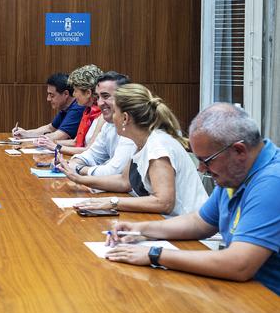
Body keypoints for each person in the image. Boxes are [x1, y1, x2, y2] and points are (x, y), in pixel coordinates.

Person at [104, 103, 279, 295]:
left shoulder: (272, 182)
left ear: (239, 151)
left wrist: (154, 254)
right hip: (248, 293)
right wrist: (140, 229)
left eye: (206, 160)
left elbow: (239, 265)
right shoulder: (237, 173)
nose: (201, 169)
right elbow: (199, 222)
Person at [70, 83, 208, 216]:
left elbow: (164, 202)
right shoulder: (142, 141)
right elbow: (123, 182)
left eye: (115, 112)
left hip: (191, 231)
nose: (112, 117)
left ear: (125, 118)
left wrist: (113, 202)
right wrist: (80, 179)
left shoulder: (157, 147)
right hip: (171, 224)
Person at [60, 72, 136, 177]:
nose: (100, 103)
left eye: (105, 96)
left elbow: (114, 172)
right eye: (98, 97)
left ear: (125, 98)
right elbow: (92, 154)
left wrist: (78, 168)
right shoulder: (108, 125)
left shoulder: (133, 127)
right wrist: (73, 163)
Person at [37, 64, 105, 155]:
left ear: (88, 93)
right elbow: (76, 142)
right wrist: (48, 143)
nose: (73, 95)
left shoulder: (102, 115)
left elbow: (88, 150)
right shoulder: (88, 111)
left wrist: (56, 146)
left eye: (76, 91)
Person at [11, 73, 84, 140]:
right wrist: (26, 133)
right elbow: (50, 128)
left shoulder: (78, 108)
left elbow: (59, 136)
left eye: (52, 95)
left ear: (65, 94)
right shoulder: (65, 108)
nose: (48, 99)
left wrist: (36, 140)